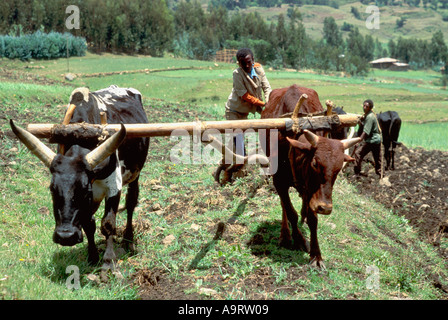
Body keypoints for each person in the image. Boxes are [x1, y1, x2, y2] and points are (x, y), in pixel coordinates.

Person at [214, 48, 272, 183]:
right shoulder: (237, 74)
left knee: (235, 143)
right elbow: (244, 95)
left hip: (250, 109)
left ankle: (228, 169)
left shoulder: (259, 69)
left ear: (253, 60)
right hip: (234, 111)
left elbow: (267, 88)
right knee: (238, 145)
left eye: (249, 62)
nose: (246, 66)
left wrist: (269, 103)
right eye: (243, 63)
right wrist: (263, 104)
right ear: (238, 63)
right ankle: (232, 173)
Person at [354, 99, 382, 177]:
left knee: (358, 153)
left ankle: (357, 172)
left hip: (372, 140)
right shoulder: (369, 115)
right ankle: (380, 174)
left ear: (370, 108)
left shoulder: (369, 117)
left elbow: (366, 132)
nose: (364, 107)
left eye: (366, 106)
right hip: (377, 140)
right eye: (364, 105)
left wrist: (358, 141)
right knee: (377, 158)